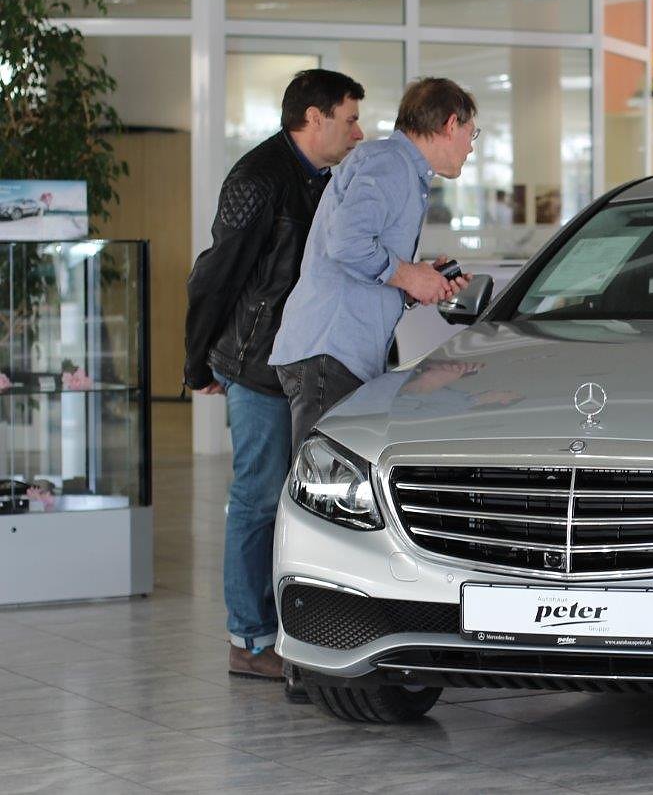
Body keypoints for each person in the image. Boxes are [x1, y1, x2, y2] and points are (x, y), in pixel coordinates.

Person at [184, 69, 365, 680]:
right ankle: (250, 640)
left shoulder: (324, 181)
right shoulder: (259, 179)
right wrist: (199, 362)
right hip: (258, 366)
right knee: (258, 498)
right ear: (314, 118)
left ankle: (296, 633)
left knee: (304, 500)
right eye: (349, 119)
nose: (358, 133)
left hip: (305, 361)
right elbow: (215, 276)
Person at [270, 77, 477, 449]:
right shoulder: (391, 164)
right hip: (330, 351)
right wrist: (409, 276)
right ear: (450, 125)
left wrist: (421, 280)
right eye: (471, 134)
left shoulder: (399, 168)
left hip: (339, 353)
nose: (471, 147)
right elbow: (346, 243)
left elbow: (363, 255)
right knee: (324, 476)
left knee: (337, 474)